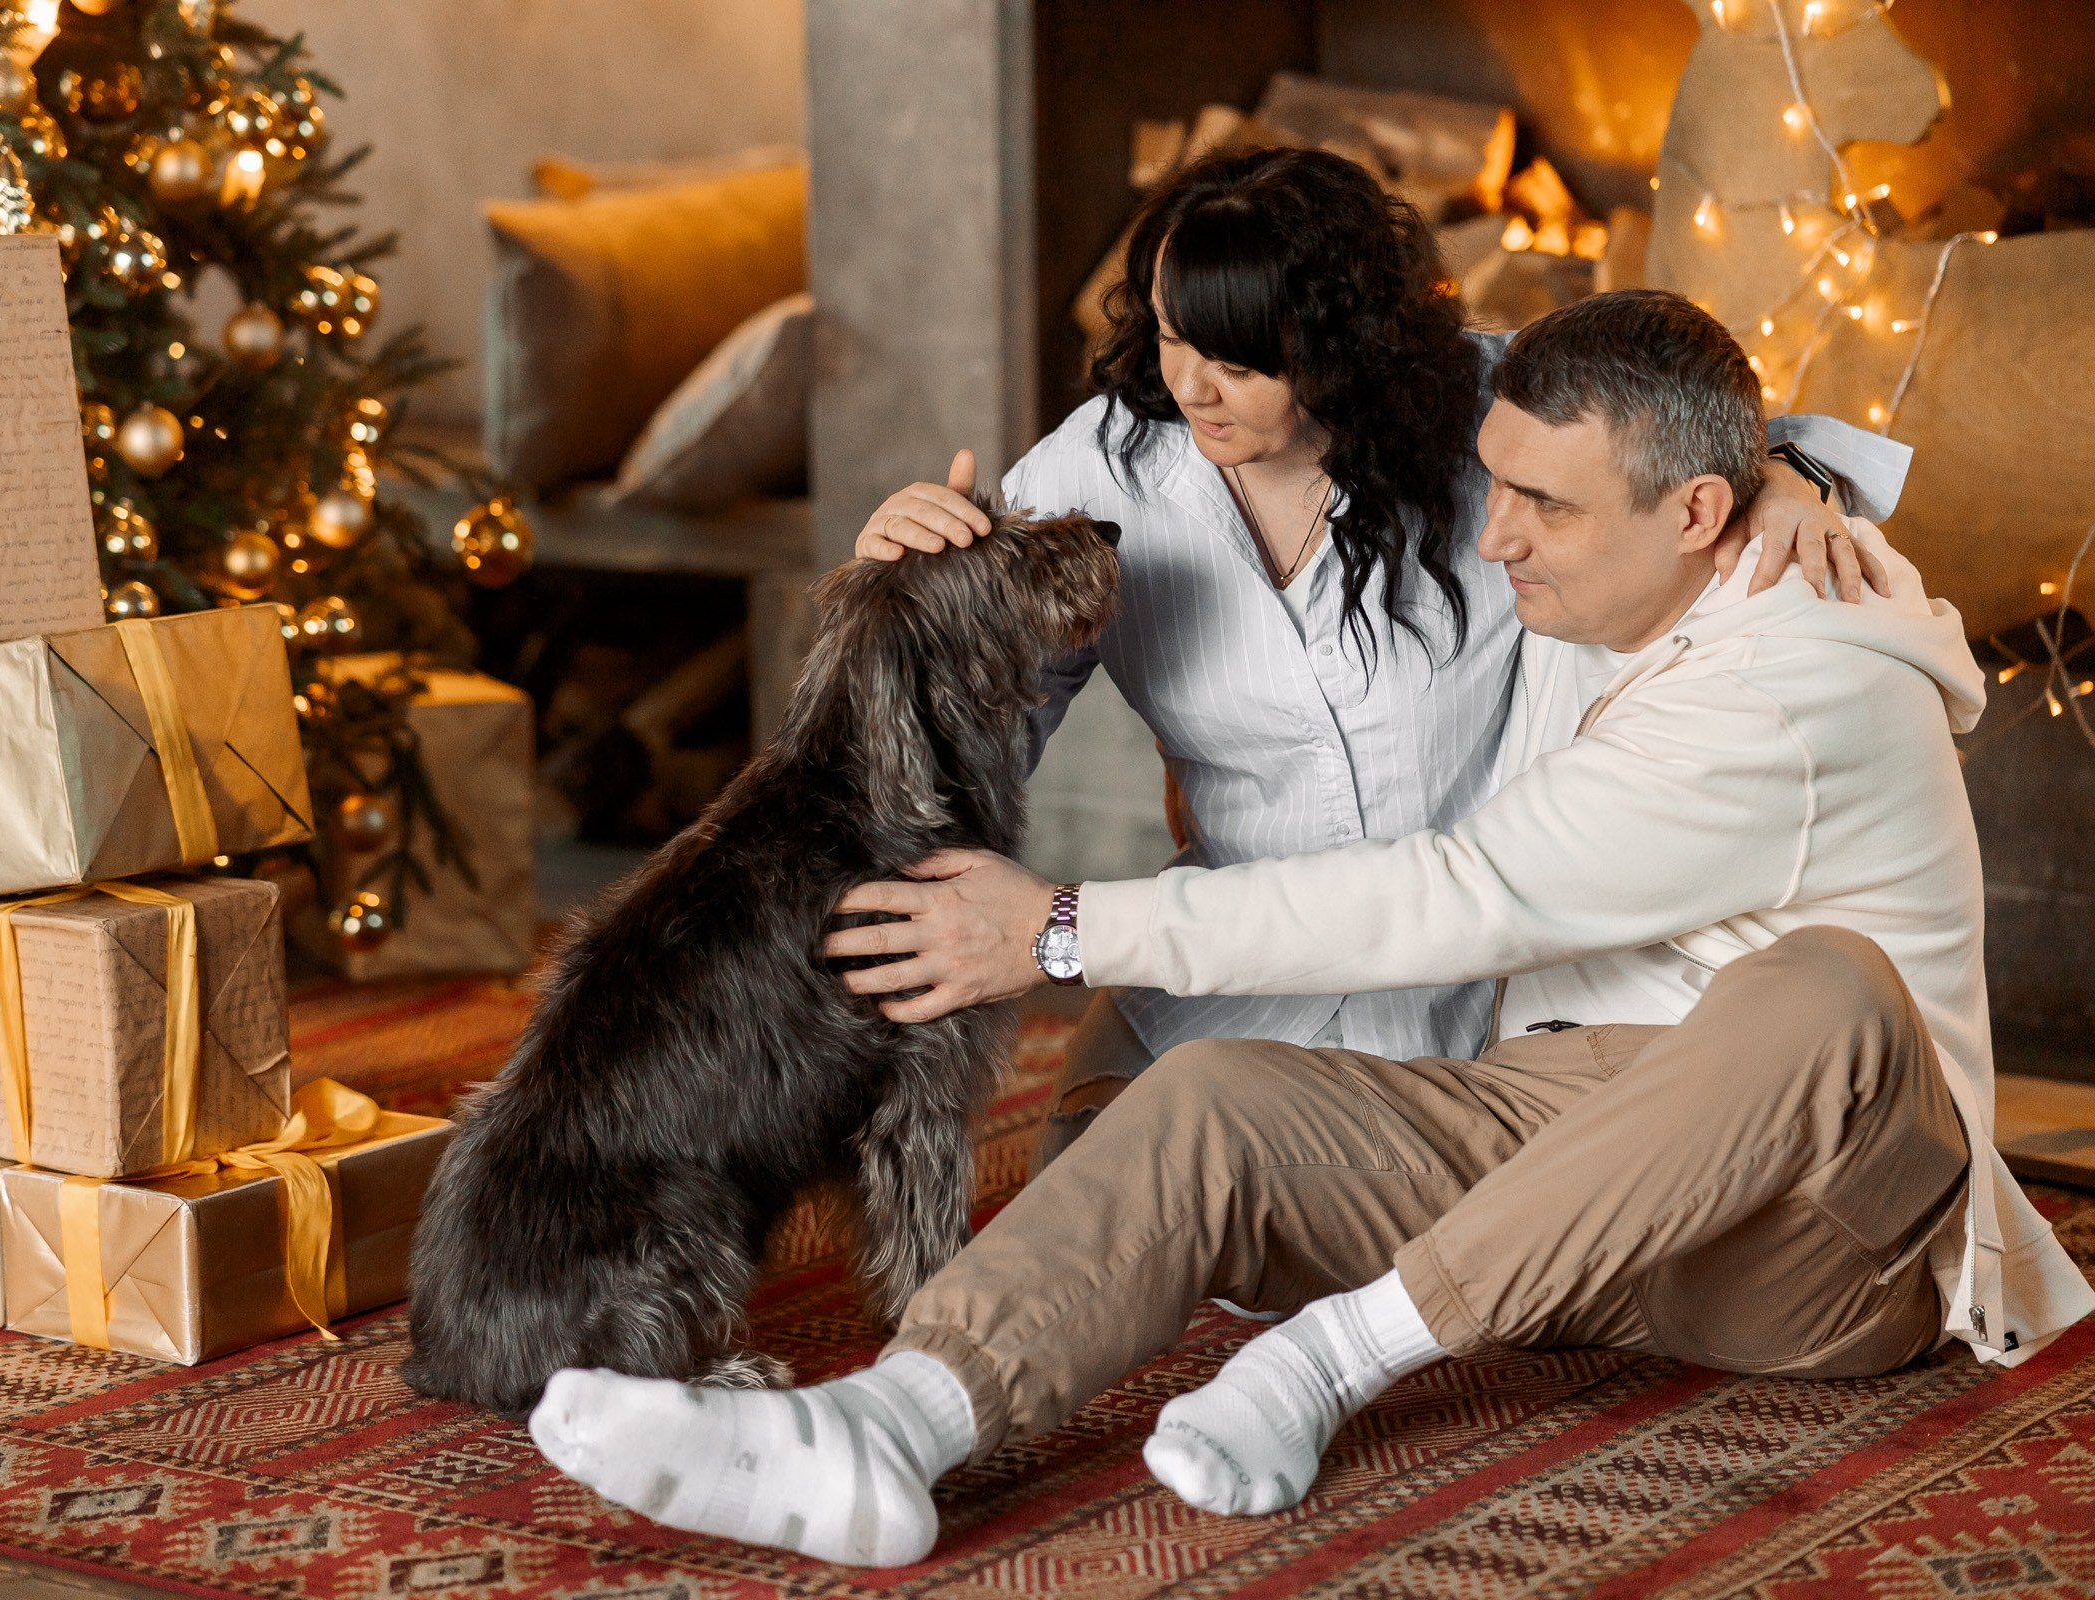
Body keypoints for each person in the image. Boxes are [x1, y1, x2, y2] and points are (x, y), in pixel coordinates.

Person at [525, 290, 2095, 1567]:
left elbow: (1457, 896)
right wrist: (1802, 472)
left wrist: (1065, 928)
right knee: (1214, 1097)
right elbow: (1591, 389)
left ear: (1698, 513)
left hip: (1821, 1237)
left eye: (1541, 507)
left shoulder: (1800, 687)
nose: (1497, 542)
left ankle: (1327, 1361)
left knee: (1817, 993)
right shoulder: (1643, 561)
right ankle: (888, 1430)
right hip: (1571, 1140)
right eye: (1501, 489)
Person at [851, 147, 1909, 1170]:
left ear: (1341, 343)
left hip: (1482, 975)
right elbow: (958, 750)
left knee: (1352, 1239)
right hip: (1221, 958)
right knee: (1094, 1214)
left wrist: (1783, 473)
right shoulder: (1102, 467)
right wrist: (913, 598)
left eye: (1239, 360)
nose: (1192, 388)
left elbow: (1697, 440)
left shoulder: (1489, 408)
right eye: (1174, 338)